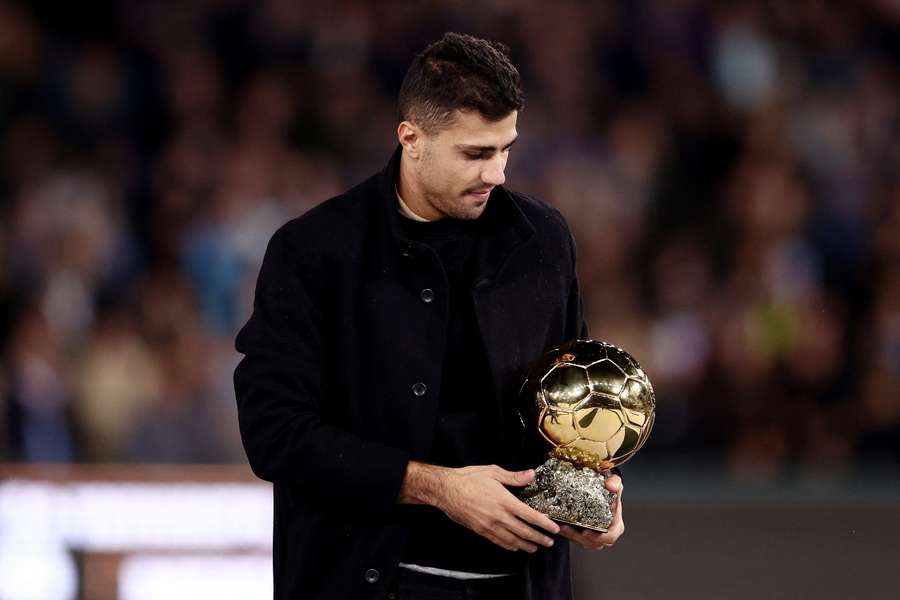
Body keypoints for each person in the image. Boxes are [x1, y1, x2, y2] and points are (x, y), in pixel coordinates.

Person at [234, 32, 624, 600]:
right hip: (367, 581)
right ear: (411, 139)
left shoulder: (543, 240)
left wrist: (591, 494)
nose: (498, 174)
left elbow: (564, 408)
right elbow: (275, 433)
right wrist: (437, 488)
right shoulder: (315, 252)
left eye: (505, 148)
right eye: (476, 153)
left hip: (520, 584)